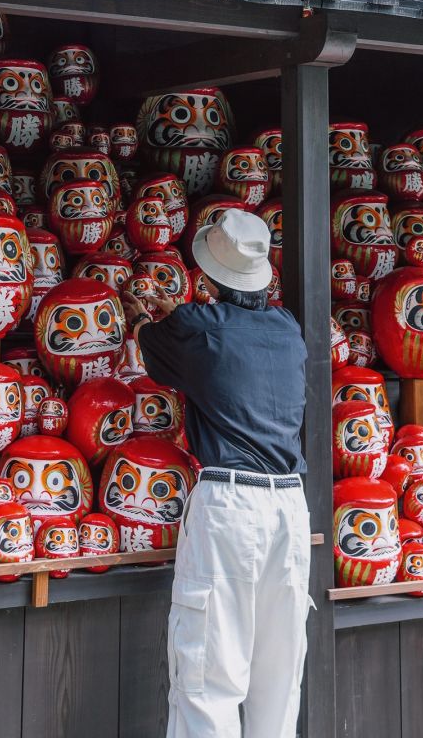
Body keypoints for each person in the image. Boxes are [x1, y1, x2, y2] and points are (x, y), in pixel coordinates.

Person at [123, 207, 309, 738]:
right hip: (289, 507)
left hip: (231, 507)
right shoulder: (288, 330)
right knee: (279, 681)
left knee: (208, 679)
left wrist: (143, 318)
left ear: (206, 277)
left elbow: (157, 346)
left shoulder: (196, 329)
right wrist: (177, 316)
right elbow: (219, 342)